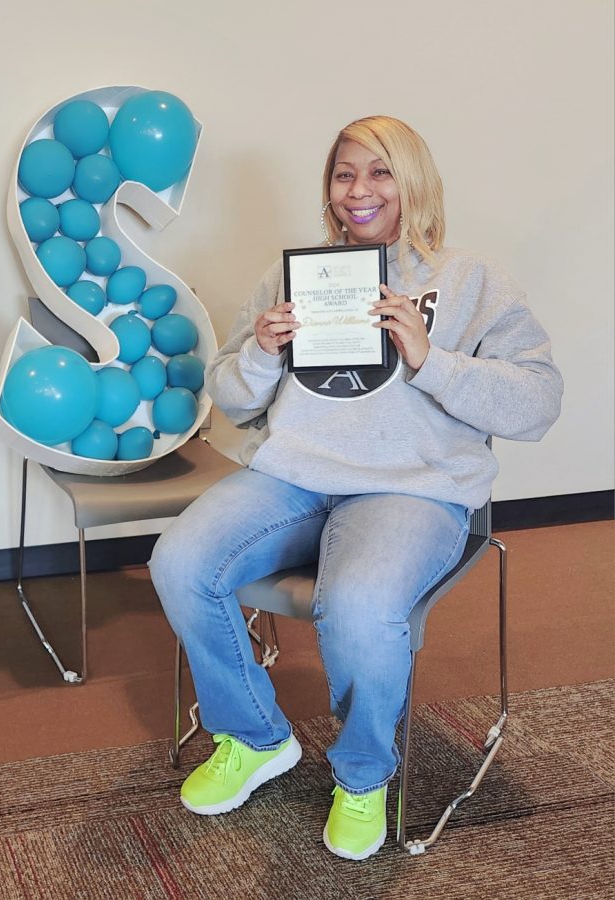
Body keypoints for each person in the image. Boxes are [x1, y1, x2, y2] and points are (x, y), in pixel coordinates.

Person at [149, 115, 563, 861]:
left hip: (411, 490)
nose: (360, 190)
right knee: (179, 561)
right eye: (345, 174)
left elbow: (538, 401)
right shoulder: (293, 276)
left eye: (380, 172)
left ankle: (365, 774)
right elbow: (231, 398)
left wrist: (430, 358)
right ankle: (255, 737)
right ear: (329, 190)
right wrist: (264, 354)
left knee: (364, 603)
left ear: (414, 183)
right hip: (294, 477)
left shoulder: (471, 282)